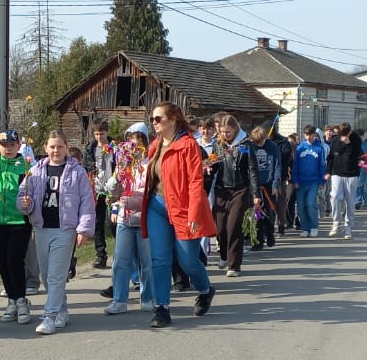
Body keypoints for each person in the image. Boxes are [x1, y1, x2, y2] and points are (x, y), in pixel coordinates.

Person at [142, 102, 217, 328]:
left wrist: (194, 214)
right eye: (152, 119)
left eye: (158, 118)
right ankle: (162, 308)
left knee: (187, 260)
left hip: (183, 209)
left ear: (173, 119)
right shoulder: (155, 145)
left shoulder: (188, 145)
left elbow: (195, 181)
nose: (154, 122)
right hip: (156, 206)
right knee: (160, 259)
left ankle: (205, 290)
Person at [17, 132, 96, 335]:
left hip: (65, 230)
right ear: (45, 148)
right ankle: (61, 310)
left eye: (60, 146)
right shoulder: (35, 171)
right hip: (41, 229)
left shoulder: (77, 172)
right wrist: (26, 204)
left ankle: (49, 317)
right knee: (46, 275)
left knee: (56, 276)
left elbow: (87, 202)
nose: (56, 150)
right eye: (52, 147)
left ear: (66, 147)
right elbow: (23, 197)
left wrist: (83, 229)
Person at [103, 124, 153, 313]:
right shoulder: (124, 164)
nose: (134, 145)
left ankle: (147, 297)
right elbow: (113, 190)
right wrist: (114, 184)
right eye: (130, 141)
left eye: (138, 141)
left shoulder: (150, 164)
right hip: (125, 219)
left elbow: (150, 191)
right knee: (120, 261)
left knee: (146, 262)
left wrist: (134, 200)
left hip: (145, 219)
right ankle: (119, 300)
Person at [0, 129, 35, 325]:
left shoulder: (26, 166)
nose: (8, 149)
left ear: (18, 146)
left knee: (14, 261)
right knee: (2, 263)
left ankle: (22, 300)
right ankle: (12, 301)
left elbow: (33, 192)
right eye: (4, 145)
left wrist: (29, 204)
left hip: (20, 222)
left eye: (11, 145)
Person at [206, 113, 259, 276]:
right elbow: (213, 165)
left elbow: (253, 170)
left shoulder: (246, 144)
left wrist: (256, 194)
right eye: (222, 132)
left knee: (233, 226)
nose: (225, 135)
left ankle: (234, 265)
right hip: (221, 189)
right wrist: (206, 166)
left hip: (240, 189)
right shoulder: (218, 145)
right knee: (220, 228)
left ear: (236, 129)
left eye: (228, 132)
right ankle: (223, 255)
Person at [325, 121, 361, 238]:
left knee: (350, 201)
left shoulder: (356, 139)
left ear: (350, 132)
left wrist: (349, 144)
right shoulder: (335, 140)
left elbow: (357, 155)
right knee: (335, 196)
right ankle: (336, 222)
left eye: (346, 134)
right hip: (337, 172)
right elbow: (331, 157)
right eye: (342, 134)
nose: (344, 136)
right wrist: (328, 172)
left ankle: (348, 227)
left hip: (352, 174)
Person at [88, 120, 116, 270]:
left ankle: (119, 252)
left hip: (113, 189)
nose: (99, 137)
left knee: (114, 222)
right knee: (98, 222)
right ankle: (100, 255)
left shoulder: (115, 147)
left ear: (107, 132)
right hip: (97, 189)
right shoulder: (90, 149)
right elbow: (87, 167)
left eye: (102, 134)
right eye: (96, 134)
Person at [248, 126, 280, 250]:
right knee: (256, 214)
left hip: (269, 184)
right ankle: (258, 240)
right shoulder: (250, 146)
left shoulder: (273, 147)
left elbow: (277, 165)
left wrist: (276, 184)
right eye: (257, 142)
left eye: (261, 142)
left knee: (269, 213)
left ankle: (270, 233)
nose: (259, 144)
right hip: (255, 185)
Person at [291, 125, 327, 236]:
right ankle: (305, 228)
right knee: (301, 206)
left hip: (314, 182)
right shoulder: (300, 148)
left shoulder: (319, 148)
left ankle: (314, 226)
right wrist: (295, 180)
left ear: (314, 135)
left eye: (311, 135)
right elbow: (295, 165)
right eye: (306, 135)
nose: (309, 137)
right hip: (301, 182)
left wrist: (322, 181)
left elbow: (322, 165)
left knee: (311, 203)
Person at [267, 125, 294, 235]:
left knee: (280, 201)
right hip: (266, 176)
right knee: (268, 202)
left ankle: (281, 224)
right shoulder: (263, 142)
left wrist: (274, 151)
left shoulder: (283, 142)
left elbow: (286, 157)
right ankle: (269, 225)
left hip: (280, 175)